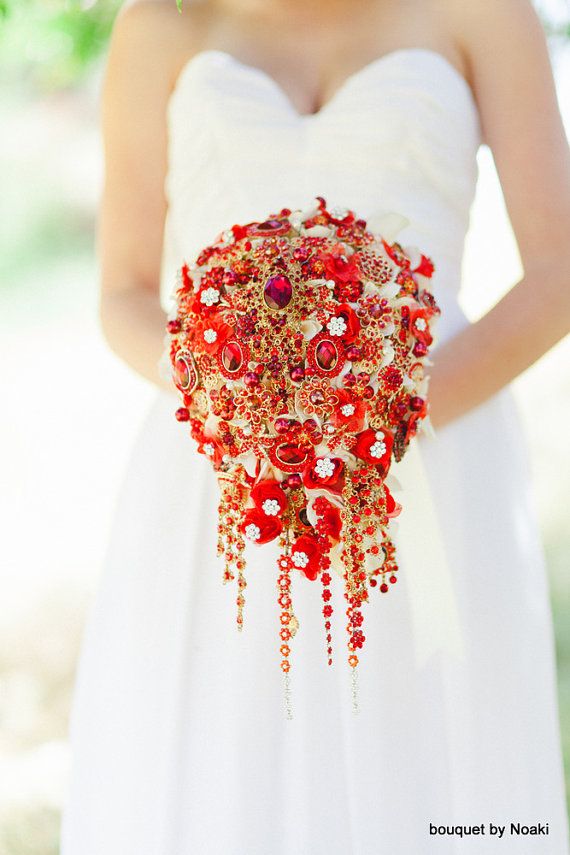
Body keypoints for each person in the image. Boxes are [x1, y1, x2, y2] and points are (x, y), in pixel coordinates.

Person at [60, 0, 570, 852]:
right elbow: (123, 290)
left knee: (428, 762)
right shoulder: (160, 24)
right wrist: (231, 401)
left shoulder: (485, 12)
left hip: (431, 456)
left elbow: (558, 273)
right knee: (225, 760)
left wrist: (383, 418)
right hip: (222, 473)